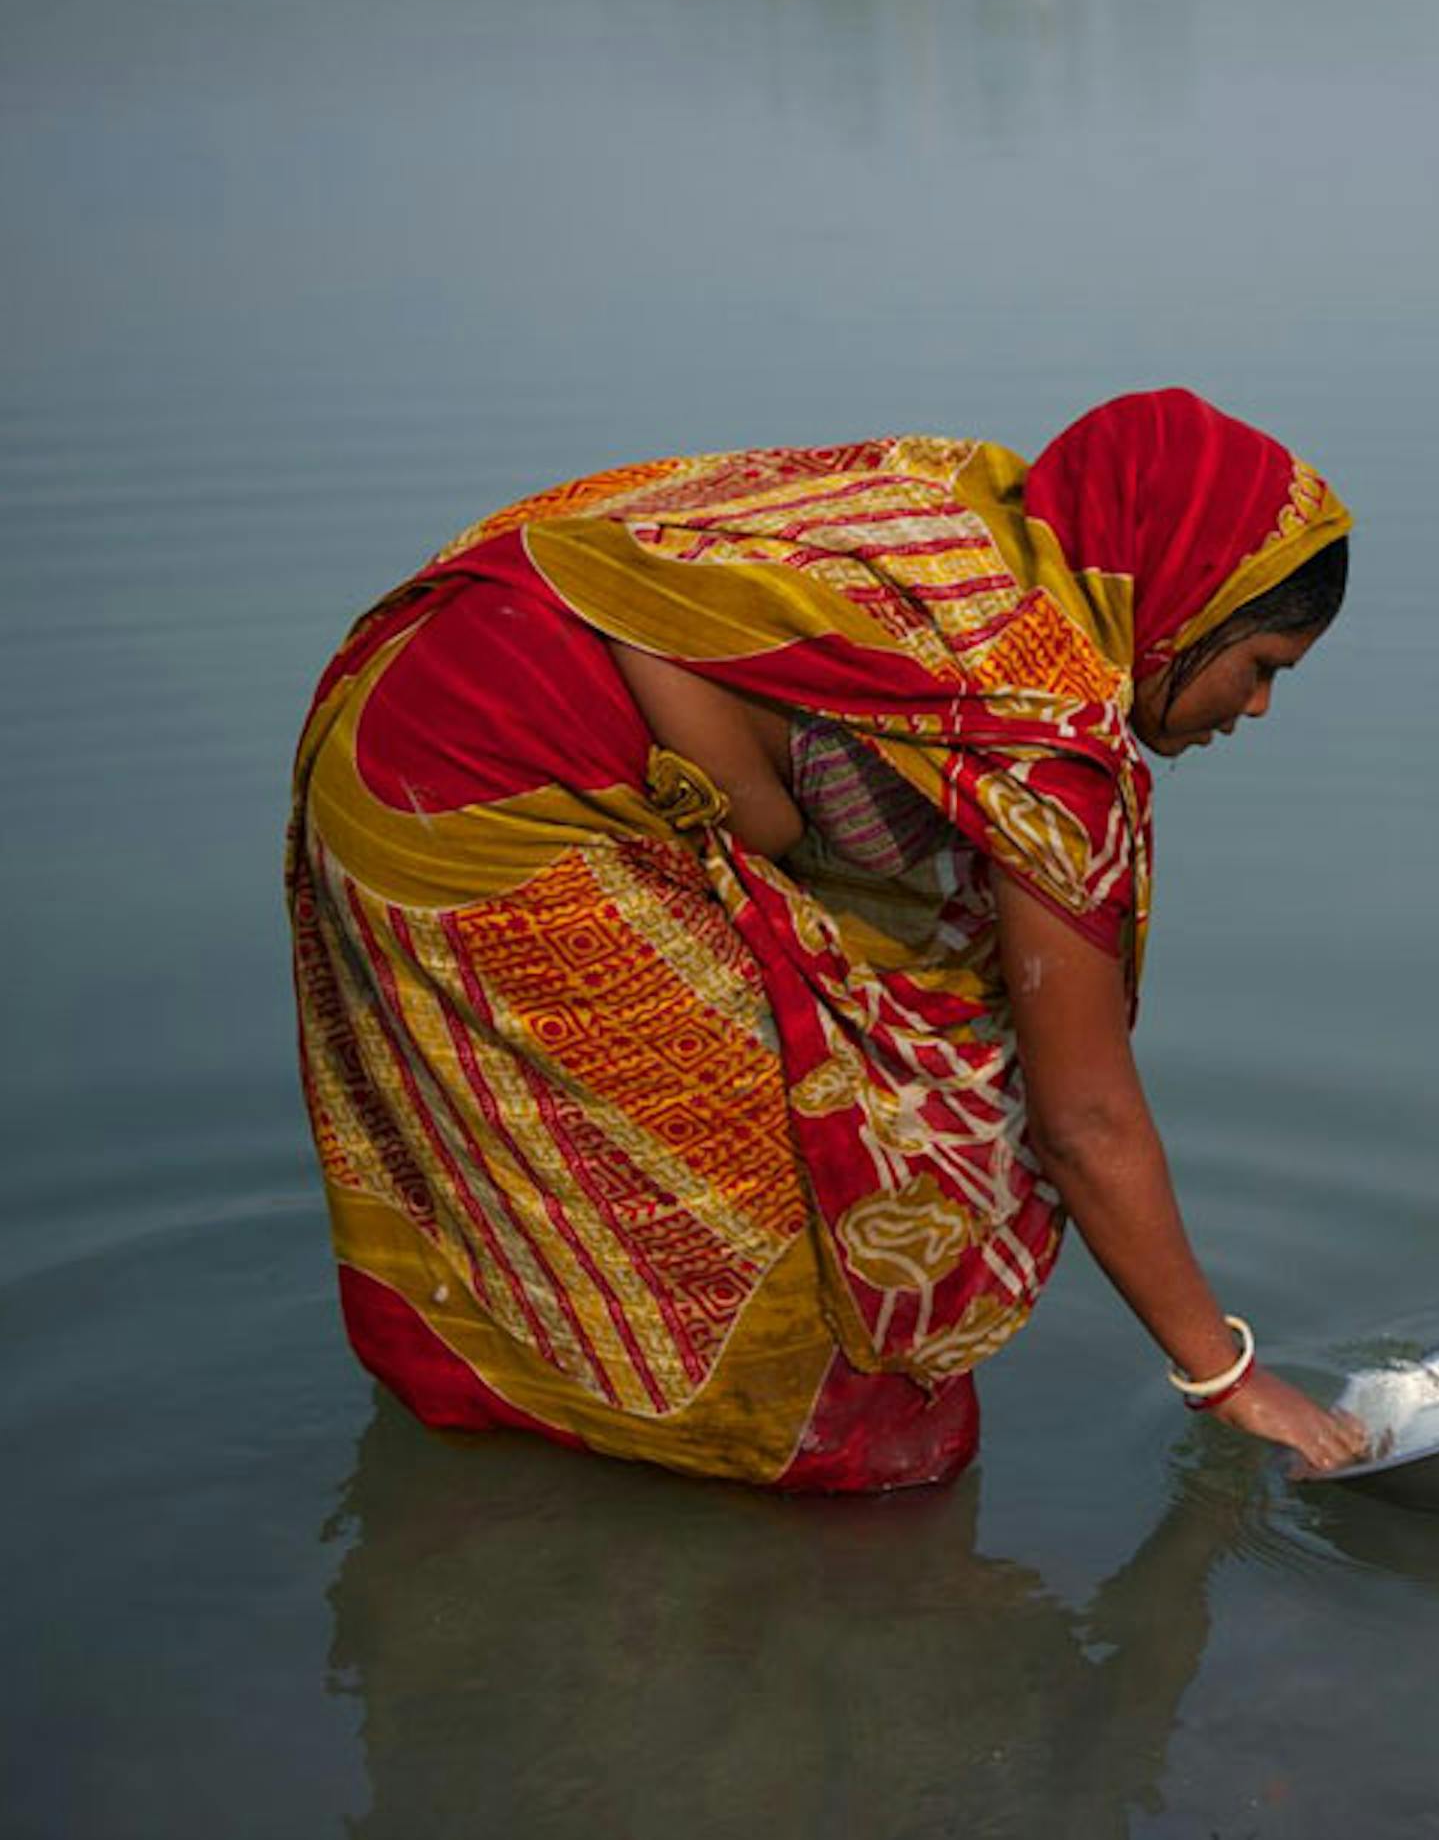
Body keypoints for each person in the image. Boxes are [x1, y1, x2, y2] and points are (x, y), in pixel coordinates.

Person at [287, 389, 1370, 1490]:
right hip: (486, 781)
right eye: (1265, 665)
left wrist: (759, 812)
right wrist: (1223, 1376)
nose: (1261, 707)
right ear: (1184, 607)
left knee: (665, 1150)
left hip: (419, 687)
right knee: (815, 1306)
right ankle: (682, 1499)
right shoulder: (1045, 734)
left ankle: (532, 1444)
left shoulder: (967, 508)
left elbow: (629, 566)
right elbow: (1084, 1116)